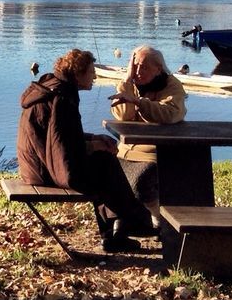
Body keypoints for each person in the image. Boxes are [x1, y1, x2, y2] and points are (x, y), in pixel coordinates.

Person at [17, 48, 155, 252]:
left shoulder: (53, 87)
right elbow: (61, 146)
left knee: (102, 164)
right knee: (104, 163)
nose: (95, 76)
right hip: (46, 169)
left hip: (35, 166)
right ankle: (133, 222)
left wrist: (93, 138)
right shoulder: (62, 98)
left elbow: (61, 136)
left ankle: (119, 231)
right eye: (91, 72)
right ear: (78, 73)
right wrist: (94, 145)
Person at [108, 45, 187, 208]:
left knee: (140, 181)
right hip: (124, 150)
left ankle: (156, 220)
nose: (137, 71)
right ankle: (118, 225)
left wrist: (139, 102)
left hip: (154, 154)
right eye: (134, 66)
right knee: (103, 176)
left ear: (158, 69)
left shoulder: (171, 85)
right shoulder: (131, 85)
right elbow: (123, 115)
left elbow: (170, 114)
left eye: (143, 67)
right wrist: (127, 81)